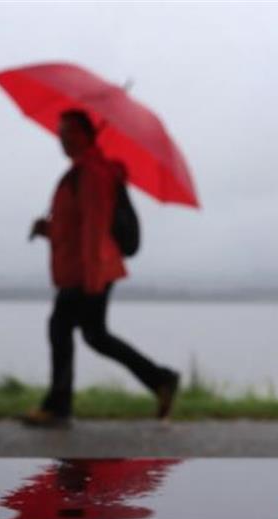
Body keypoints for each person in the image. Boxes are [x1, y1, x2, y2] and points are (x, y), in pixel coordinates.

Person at [20, 109, 180, 428]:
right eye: (59, 131)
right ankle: (161, 379)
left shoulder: (92, 173)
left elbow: (94, 227)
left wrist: (92, 278)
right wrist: (47, 230)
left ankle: (58, 406)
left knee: (62, 327)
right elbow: (72, 228)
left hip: (90, 270)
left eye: (68, 131)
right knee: (94, 335)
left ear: (86, 135)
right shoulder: (80, 172)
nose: (61, 138)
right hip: (87, 268)